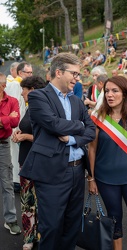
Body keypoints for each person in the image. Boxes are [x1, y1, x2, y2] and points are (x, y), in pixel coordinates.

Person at [19, 52, 96, 250]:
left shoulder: (77, 101)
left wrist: (71, 137)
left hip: (77, 171)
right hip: (52, 172)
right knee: (52, 227)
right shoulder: (38, 96)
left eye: (79, 75)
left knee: (72, 227)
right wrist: (79, 124)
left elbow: (91, 132)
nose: (78, 79)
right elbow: (54, 125)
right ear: (59, 72)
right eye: (75, 74)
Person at [88, 76, 127, 250]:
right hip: (106, 179)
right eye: (107, 91)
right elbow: (91, 149)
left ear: (125, 93)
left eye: (115, 91)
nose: (109, 94)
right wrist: (91, 179)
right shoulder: (98, 117)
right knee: (114, 219)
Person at [12, 76, 46, 250]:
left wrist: (25, 136)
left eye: (23, 89)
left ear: (31, 89)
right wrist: (19, 132)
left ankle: (41, 234)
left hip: (39, 162)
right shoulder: (29, 107)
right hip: (25, 160)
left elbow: (47, 137)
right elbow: (27, 127)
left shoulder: (43, 109)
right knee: (26, 202)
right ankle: (29, 237)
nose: (22, 93)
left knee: (40, 201)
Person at [5, 61, 33, 193]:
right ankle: (16, 181)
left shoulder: (24, 85)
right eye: (28, 72)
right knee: (16, 155)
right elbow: (15, 107)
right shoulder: (16, 85)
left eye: (32, 72)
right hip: (17, 126)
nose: (31, 74)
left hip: (22, 126)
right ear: (20, 73)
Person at [0, 72, 21, 235]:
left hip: (3, 145)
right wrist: (7, 118)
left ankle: (11, 220)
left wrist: (4, 120)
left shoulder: (12, 101)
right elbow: (10, 120)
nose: (3, 85)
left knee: (7, 183)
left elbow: (16, 121)